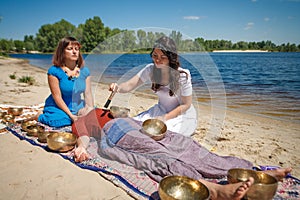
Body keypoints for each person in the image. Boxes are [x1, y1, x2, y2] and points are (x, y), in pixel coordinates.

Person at [71, 109, 292, 200]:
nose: (87, 108)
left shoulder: (104, 110)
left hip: (137, 125)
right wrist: (81, 146)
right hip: (119, 132)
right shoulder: (85, 118)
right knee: (162, 158)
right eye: (81, 109)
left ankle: (253, 173)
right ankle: (214, 189)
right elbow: (82, 134)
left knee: (188, 146)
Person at [109, 36, 197, 136]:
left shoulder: (182, 75)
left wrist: (165, 117)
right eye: (155, 55)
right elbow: (129, 85)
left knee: (167, 135)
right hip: (160, 110)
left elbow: (186, 105)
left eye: (163, 57)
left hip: (180, 115)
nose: (157, 60)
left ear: (171, 58)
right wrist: (118, 88)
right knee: (136, 127)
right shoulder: (150, 70)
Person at [37, 36, 94, 127]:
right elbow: (57, 97)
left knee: (95, 115)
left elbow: (88, 94)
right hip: (59, 107)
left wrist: (90, 109)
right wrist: (72, 116)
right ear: (62, 52)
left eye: (77, 49)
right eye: (70, 49)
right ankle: (39, 116)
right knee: (60, 122)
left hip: (78, 105)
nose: (74, 52)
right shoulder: (54, 71)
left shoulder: (85, 71)